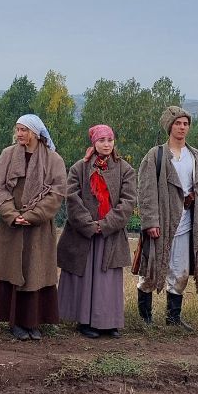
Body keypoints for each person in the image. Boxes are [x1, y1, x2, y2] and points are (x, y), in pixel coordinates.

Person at [0, 115, 67, 341]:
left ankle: (34, 322)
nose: (19, 134)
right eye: (18, 129)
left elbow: (56, 193)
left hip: (39, 228)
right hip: (12, 226)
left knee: (36, 271)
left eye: (24, 130)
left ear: (35, 132)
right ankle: (15, 322)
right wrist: (12, 215)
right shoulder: (7, 155)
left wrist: (32, 215)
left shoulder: (53, 159)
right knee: (13, 270)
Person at [57, 125, 137, 338]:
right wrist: (89, 225)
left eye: (110, 140)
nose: (106, 144)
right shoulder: (78, 169)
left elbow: (128, 202)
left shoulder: (125, 169)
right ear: (94, 142)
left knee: (107, 280)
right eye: (102, 140)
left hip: (111, 235)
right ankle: (85, 321)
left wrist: (107, 224)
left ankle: (109, 322)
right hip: (84, 235)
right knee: (86, 278)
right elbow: (72, 199)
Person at [136, 105, 198, 330]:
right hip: (162, 221)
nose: (182, 127)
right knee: (151, 270)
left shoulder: (195, 156)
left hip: (187, 221)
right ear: (169, 126)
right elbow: (146, 190)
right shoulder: (156, 155)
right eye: (178, 123)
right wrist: (150, 221)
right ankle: (145, 318)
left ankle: (173, 318)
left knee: (180, 272)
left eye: (186, 123)